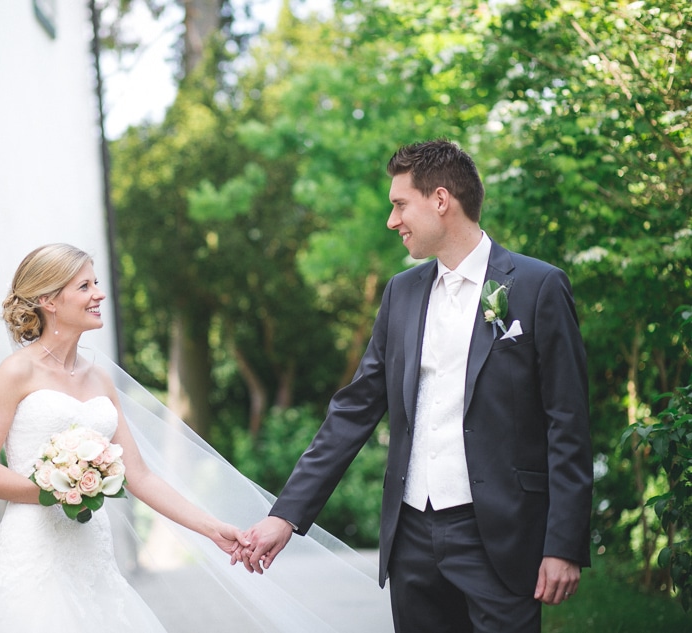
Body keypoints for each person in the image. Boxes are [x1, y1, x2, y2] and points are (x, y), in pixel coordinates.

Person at [238, 139, 593, 633]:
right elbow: (355, 410)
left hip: (501, 538)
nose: (392, 220)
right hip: (412, 540)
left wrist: (563, 544)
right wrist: (287, 515)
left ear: (441, 200)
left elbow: (568, 422)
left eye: (400, 204)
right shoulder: (402, 294)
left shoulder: (538, 286)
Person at [0, 244, 249, 632]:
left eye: (96, 284)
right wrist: (57, 490)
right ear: (48, 300)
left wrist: (211, 528)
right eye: (85, 286)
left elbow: (140, 476)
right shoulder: (16, 372)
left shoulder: (99, 378)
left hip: (92, 550)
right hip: (34, 548)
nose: (99, 294)